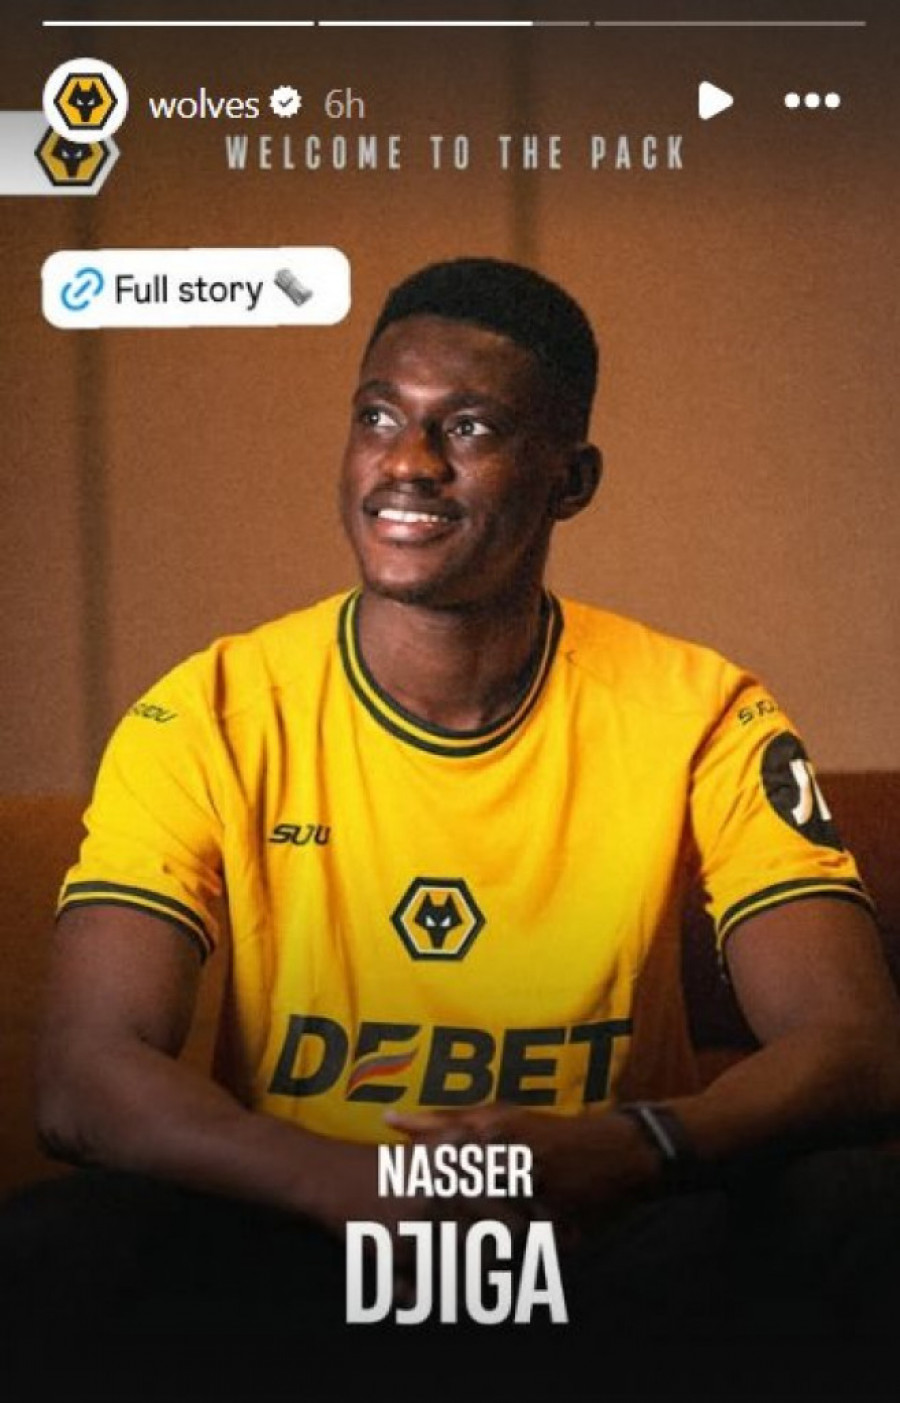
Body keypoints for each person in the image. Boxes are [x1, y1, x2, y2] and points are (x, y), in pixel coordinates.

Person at [4, 257, 900, 1397]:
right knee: (59, 1248)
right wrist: (348, 1188)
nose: (407, 462)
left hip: (597, 1233)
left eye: (468, 427)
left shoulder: (701, 710)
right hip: (309, 1234)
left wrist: (636, 1143)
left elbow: (857, 1043)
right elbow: (84, 1075)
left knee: (859, 1205)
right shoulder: (211, 710)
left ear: (571, 479)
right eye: (379, 417)